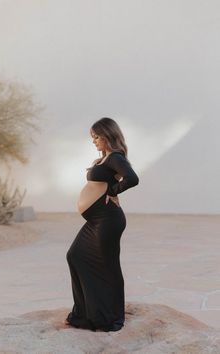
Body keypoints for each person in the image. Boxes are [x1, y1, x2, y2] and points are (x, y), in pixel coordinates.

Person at [65, 117, 139, 332]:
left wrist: (113, 191)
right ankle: (87, 313)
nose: (94, 141)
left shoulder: (115, 157)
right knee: (75, 256)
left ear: (108, 136)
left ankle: (108, 316)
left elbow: (132, 178)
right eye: (92, 137)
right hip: (98, 219)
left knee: (107, 266)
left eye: (97, 137)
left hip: (108, 220)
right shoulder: (105, 158)